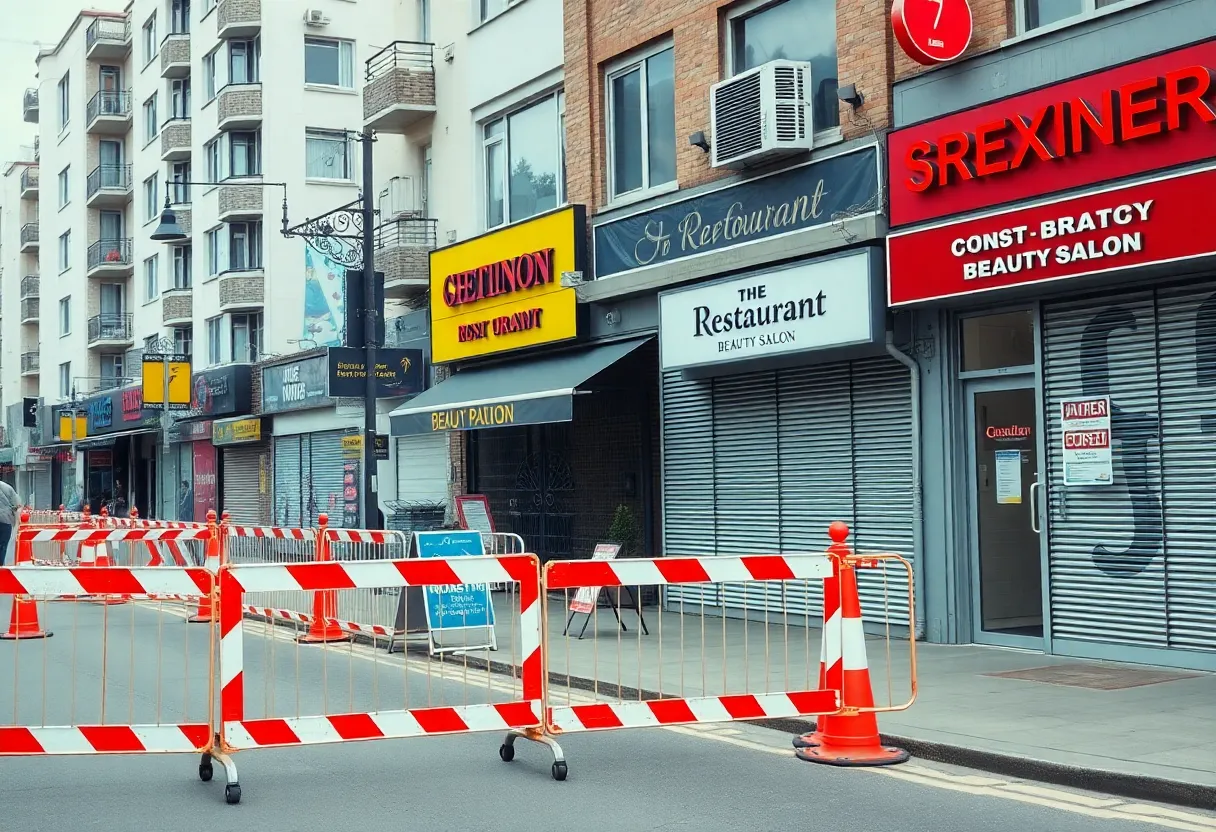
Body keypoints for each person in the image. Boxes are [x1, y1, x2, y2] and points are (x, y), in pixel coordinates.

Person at [0, 480, 21, 567]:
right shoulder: (7, 487)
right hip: (6, 521)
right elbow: (17, 505)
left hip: (6, 520)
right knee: (3, 545)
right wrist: (17, 520)